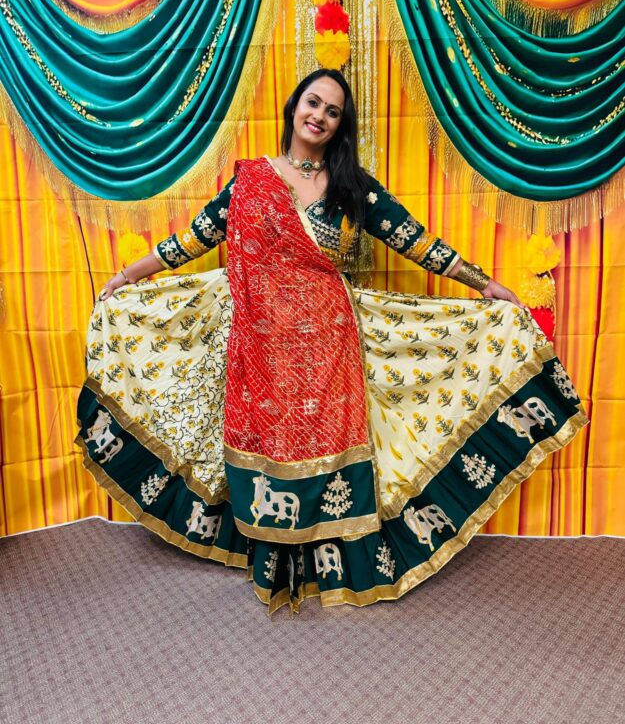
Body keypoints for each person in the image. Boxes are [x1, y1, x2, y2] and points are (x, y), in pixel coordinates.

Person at [77, 69, 587, 613]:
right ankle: (273, 561)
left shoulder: (352, 186)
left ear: (341, 125)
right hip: (260, 345)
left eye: (332, 111)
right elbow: (193, 239)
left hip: (329, 342)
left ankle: (335, 565)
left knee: (326, 454)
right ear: (294, 107)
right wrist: (127, 277)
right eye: (313, 103)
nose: (318, 116)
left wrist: (483, 284)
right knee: (273, 451)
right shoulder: (251, 181)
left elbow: (415, 241)